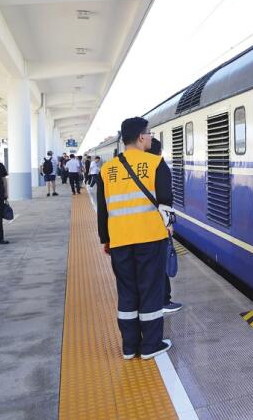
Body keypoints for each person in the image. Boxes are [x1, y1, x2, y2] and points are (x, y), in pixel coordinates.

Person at [97, 117, 173, 360]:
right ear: (141, 137)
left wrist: (106, 239)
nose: (151, 137)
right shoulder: (156, 163)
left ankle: (129, 347)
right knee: (150, 290)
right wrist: (170, 230)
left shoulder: (106, 170)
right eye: (149, 133)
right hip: (150, 238)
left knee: (127, 291)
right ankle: (150, 345)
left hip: (119, 240)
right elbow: (166, 204)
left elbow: (103, 209)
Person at [146, 138, 183, 314]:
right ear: (160, 152)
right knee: (160, 264)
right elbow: (166, 199)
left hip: (132, 230)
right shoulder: (159, 166)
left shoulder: (136, 167)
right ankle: (164, 301)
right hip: (155, 226)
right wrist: (169, 224)